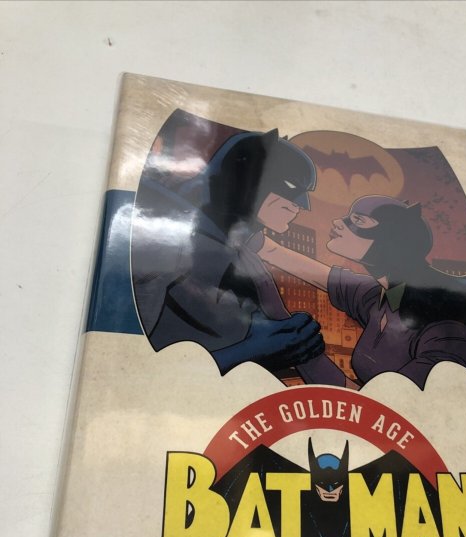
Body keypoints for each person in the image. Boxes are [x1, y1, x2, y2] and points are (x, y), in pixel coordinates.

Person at [132, 128, 347, 386]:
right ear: (249, 183)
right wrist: (251, 353)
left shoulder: (242, 251)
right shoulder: (170, 248)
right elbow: (135, 360)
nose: (299, 207)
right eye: (289, 191)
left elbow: (277, 262)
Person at [259, 195, 466, 389]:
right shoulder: (384, 295)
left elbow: (379, 408)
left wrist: (304, 352)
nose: (338, 223)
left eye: (357, 220)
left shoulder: (448, 333)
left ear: (391, 239)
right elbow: (275, 253)